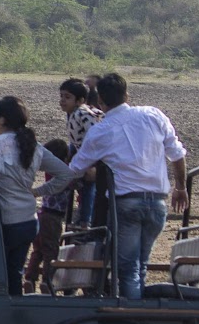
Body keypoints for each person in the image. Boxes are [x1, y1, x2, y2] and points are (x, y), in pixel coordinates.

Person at [68, 73, 188, 299]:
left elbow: (76, 168)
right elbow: (176, 154)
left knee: (128, 269)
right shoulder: (153, 114)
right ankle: (141, 309)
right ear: (127, 95)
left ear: (100, 101)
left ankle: (132, 317)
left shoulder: (101, 130)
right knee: (140, 265)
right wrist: (180, 187)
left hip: (127, 204)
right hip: (157, 204)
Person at [0, 96, 74, 296]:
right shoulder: (34, 147)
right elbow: (66, 174)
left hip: (2, 222)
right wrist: (36, 192)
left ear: (4, 120)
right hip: (28, 221)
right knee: (14, 273)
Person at [22, 138, 72, 294]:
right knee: (51, 250)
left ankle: (30, 278)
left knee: (37, 249)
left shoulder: (49, 173)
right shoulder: (62, 175)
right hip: (54, 218)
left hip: (42, 213)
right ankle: (47, 281)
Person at [58, 78, 103, 227]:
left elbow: (95, 136)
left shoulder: (83, 113)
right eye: (62, 96)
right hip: (83, 153)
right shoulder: (73, 113)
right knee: (83, 187)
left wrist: (92, 164)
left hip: (94, 156)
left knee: (88, 186)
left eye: (67, 97)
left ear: (80, 100)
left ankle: (85, 220)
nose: (63, 100)